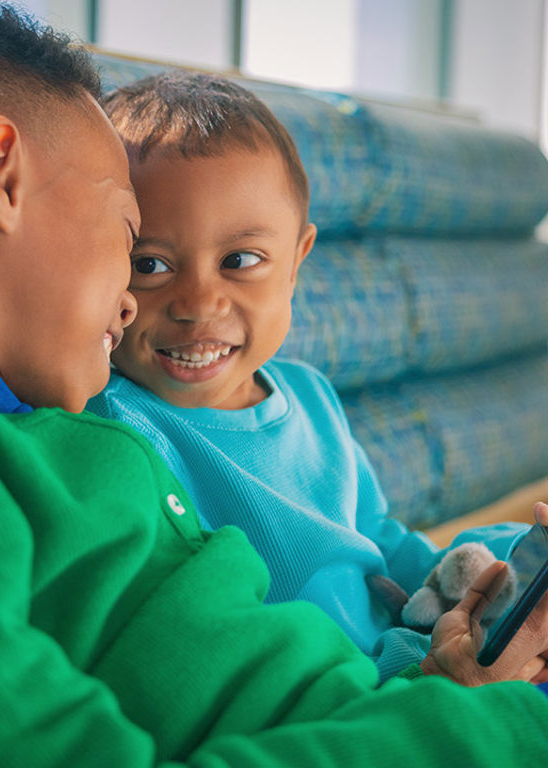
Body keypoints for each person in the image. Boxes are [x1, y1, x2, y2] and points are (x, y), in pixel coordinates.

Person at [0, 1, 548, 765]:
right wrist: (475, 722)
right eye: (131, 243)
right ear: (0, 174)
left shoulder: (20, 421)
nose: (132, 298)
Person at [86, 71, 548, 680]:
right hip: (334, 694)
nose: (198, 302)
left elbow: (382, 543)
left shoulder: (308, 393)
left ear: (297, 262)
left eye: (240, 261)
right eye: (149, 264)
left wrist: (497, 574)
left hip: (410, 649)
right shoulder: (112, 422)